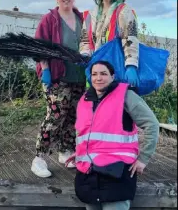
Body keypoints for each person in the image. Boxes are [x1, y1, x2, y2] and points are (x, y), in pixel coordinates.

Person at [66, 61, 159, 210]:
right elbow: (85, 133)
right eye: (94, 74)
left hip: (117, 174)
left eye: (103, 74)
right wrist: (80, 152)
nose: (98, 78)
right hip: (88, 175)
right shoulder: (84, 100)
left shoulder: (126, 96)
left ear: (112, 76)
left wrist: (143, 158)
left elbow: (152, 124)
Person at [31, 0, 86, 178]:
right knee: (55, 115)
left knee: (73, 116)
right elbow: (38, 47)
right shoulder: (50, 19)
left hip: (78, 77)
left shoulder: (81, 18)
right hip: (56, 77)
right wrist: (45, 70)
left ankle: (66, 152)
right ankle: (39, 158)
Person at [80, 0, 139, 87]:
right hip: (94, 69)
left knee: (114, 102)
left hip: (116, 67)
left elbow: (130, 38)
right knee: (96, 102)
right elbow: (85, 40)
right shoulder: (89, 15)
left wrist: (131, 65)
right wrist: (85, 56)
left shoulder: (124, 11)